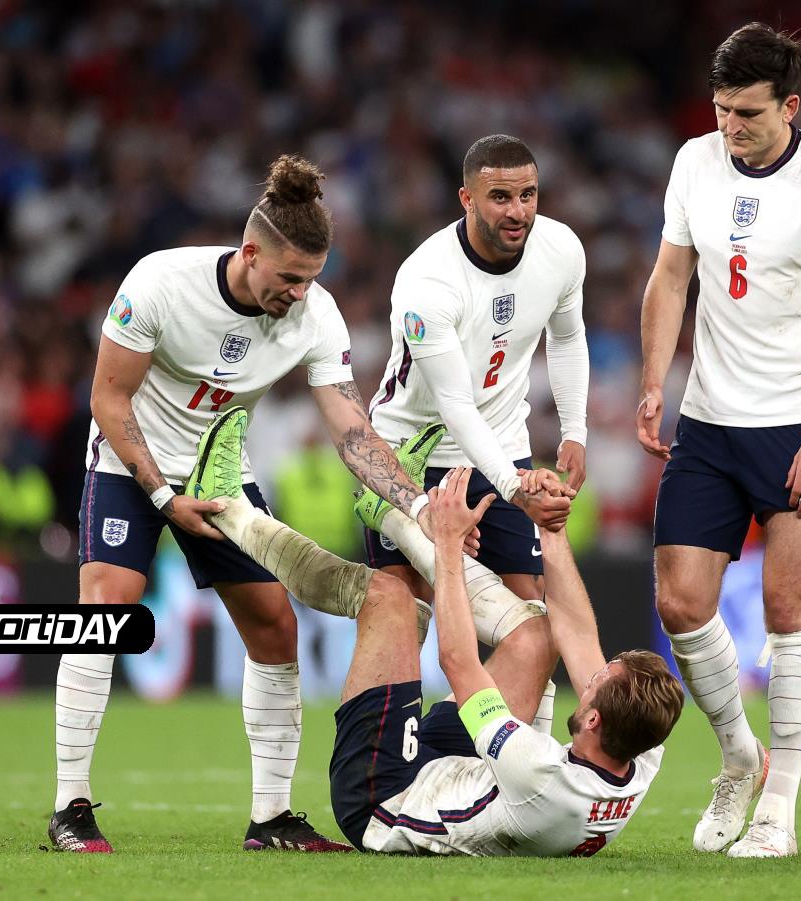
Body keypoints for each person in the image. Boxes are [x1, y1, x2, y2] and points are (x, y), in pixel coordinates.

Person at [49, 155, 443, 854]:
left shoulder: (316, 315)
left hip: (222, 480)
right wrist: (163, 495)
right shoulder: (160, 283)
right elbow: (108, 399)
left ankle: (271, 818)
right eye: (289, 277)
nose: (299, 292)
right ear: (250, 252)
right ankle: (70, 807)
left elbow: (351, 431)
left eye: (311, 278)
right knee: (104, 613)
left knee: (274, 626)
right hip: (130, 463)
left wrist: (418, 506)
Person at [191, 407, 683, 856]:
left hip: (386, 798)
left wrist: (447, 542)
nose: (589, 677)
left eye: (594, 683)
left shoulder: (538, 772)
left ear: (594, 720)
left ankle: (229, 509)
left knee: (390, 599)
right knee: (537, 635)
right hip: (464, 773)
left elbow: (458, 662)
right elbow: (575, 633)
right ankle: (390, 513)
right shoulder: (640, 754)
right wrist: (551, 529)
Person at [636, 23, 801, 858]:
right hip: (710, 419)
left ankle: (778, 808)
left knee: (790, 609)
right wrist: (653, 381)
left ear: (791, 106)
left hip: (798, 420)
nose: (729, 126)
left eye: (747, 112)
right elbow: (672, 275)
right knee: (680, 602)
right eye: (720, 109)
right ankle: (742, 756)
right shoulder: (694, 162)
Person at [365, 134, 589, 715]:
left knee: (529, 614)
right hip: (411, 456)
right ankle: (395, 755)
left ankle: (518, 759)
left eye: (528, 195)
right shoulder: (427, 281)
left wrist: (575, 429)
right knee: (403, 610)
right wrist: (516, 487)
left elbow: (567, 337)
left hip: (502, 444)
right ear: (466, 198)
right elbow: (454, 404)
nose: (518, 212)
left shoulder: (561, 250)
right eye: (500, 197)